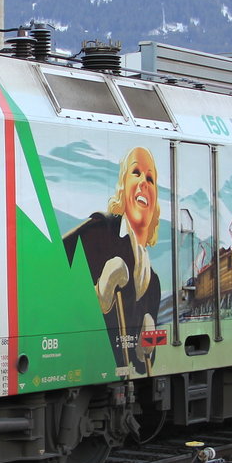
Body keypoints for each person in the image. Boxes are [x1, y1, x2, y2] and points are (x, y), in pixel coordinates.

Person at [63, 146, 162, 375]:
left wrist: (145, 348)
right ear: (122, 187)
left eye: (150, 178)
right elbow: (51, 264)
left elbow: (143, 366)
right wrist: (97, 296)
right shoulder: (100, 228)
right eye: (135, 173)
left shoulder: (152, 282)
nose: (143, 183)